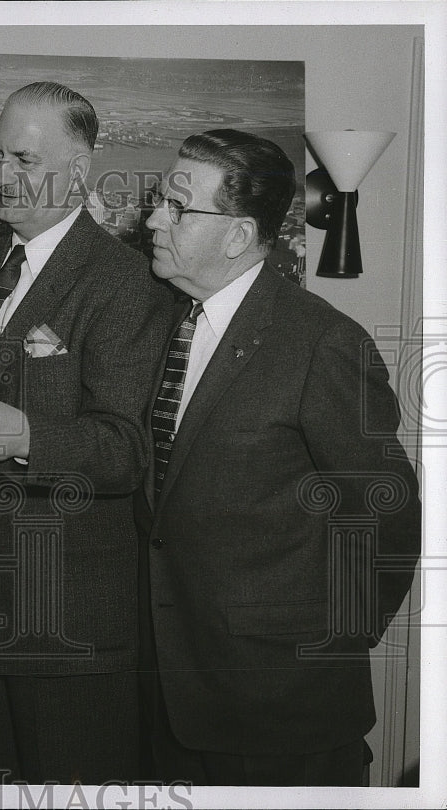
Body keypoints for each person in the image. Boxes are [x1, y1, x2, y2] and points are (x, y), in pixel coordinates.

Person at [136, 129, 421, 786]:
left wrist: (323, 646)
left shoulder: (321, 344)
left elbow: (389, 517)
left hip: (283, 714)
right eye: (159, 200)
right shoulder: (170, 326)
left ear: (237, 237)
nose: (153, 218)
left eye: (177, 207)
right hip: (175, 702)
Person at [0, 82, 175, 784]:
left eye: (26, 161)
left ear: (81, 170)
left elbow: (128, 451)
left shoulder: (126, 283)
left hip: (70, 630)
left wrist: (26, 433)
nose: (3, 176)